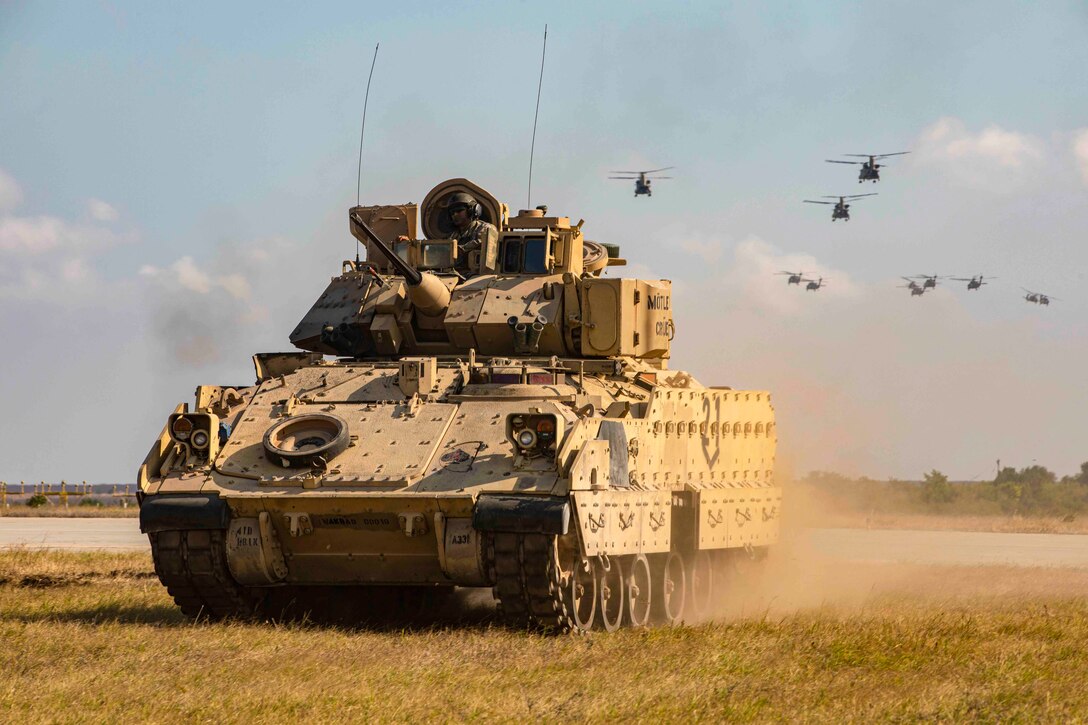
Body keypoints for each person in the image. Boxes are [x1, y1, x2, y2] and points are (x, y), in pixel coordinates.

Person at [445, 192, 498, 275]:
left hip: (478, 275)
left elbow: (479, 242)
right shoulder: (454, 235)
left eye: (459, 211)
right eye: (452, 212)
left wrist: (457, 250)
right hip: (457, 275)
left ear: (471, 210)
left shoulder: (486, 228)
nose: (455, 215)